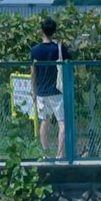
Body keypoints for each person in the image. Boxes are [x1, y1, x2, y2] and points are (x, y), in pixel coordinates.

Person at [26, 16, 68, 152]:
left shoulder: (35, 50)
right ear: (54, 32)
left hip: (41, 92)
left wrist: (34, 91)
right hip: (57, 91)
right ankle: (60, 155)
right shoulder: (59, 49)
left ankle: (46, 153)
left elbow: (33, 73)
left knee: (44, 123)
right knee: (62, 124)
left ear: (42, 31)